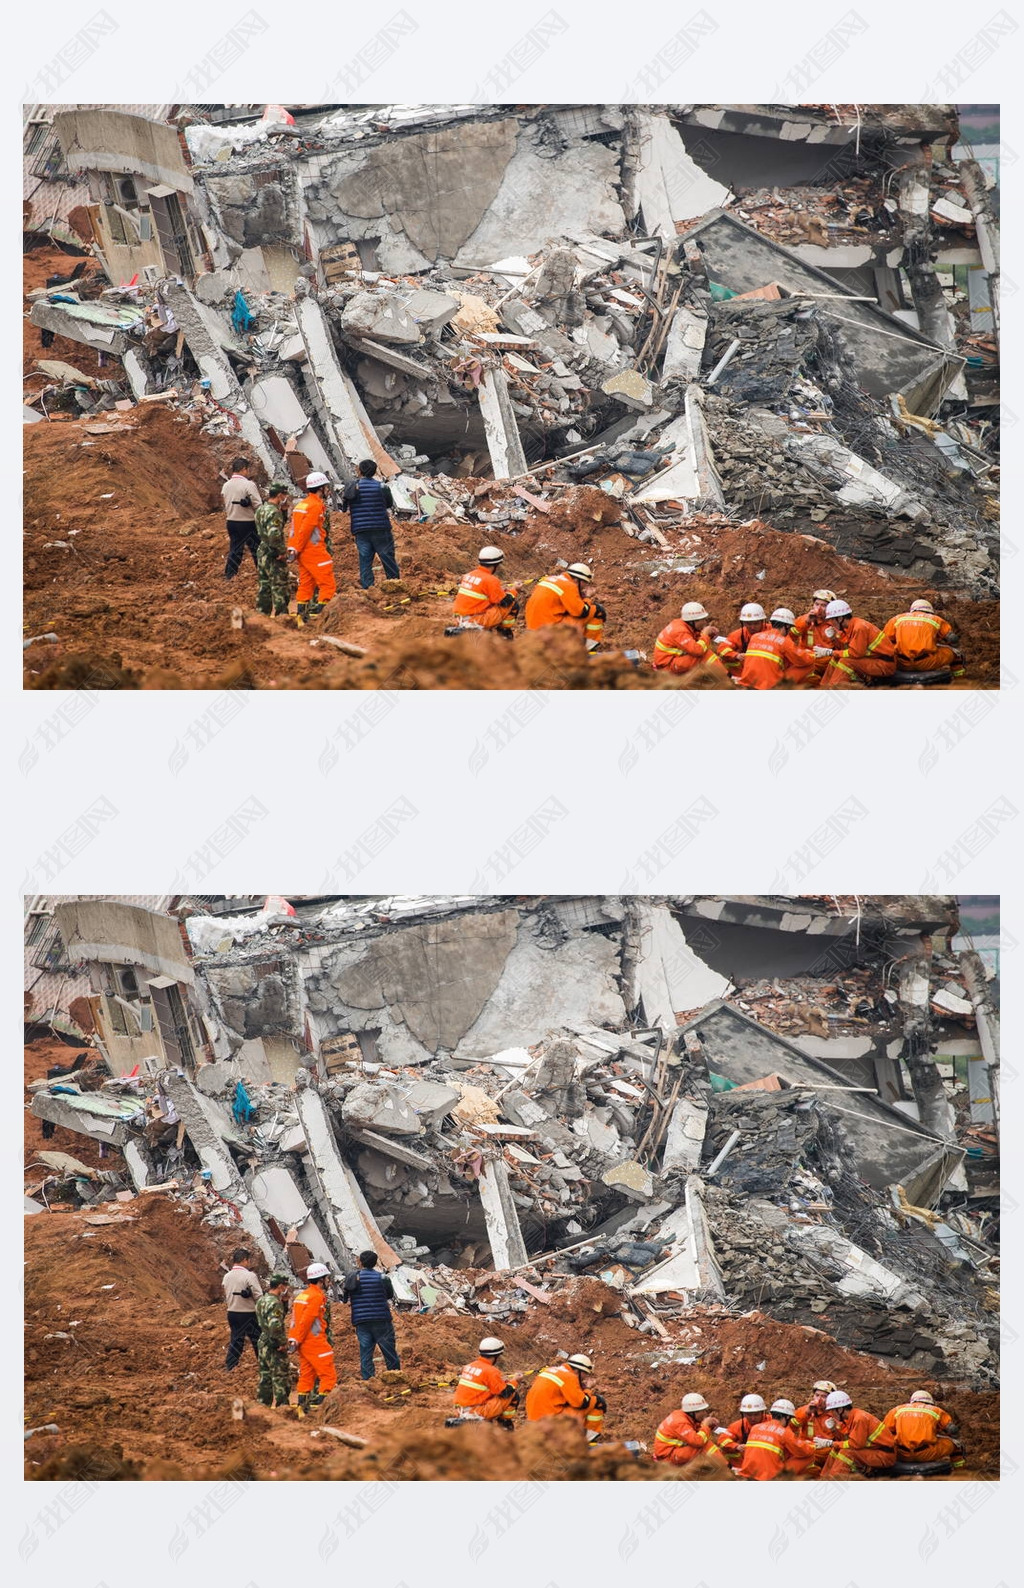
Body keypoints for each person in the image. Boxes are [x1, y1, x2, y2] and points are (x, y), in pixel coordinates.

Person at [341, 459, 401, 588]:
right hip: (381, 528)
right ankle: (395, 585)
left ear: (360, 471)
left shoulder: (352, 487)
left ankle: (368, 589)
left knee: (365, 560)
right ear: (374, 472)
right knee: (387, 557)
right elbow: (389, 504)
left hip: (360, 530)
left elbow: (344, 506)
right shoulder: (382, 487)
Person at [342, 1249, 401, 1380]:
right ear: (375, 1263)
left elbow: (345, 1296)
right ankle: (396, 1377)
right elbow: (389, 1295)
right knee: (389, 1351)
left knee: (366, 1353)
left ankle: (368, 1381)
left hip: (361, 1321)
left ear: (361, 1262)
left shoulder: (353, 1278)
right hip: (381, 1320)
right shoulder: (383, 1278)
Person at [288, 1261, 337, 1413]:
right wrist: (299, 1339)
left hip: (303, 1344)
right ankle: (322, 1409)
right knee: (328, 1376)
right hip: (314, 1342)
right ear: (321, 1280)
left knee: (307, 1376)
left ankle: (302, 1410)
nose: (329, 1282)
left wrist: (293, 1340)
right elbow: (306, 1321)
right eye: (327, 1279)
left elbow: (294, 1321)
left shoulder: (302, 1296)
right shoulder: (316, 1297)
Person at [288, 471, 337, 618]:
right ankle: (323, 615)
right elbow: (305, 530)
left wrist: (293, 549)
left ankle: (302, 615)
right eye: (326, 487)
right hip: (313, 551)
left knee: (306, 583)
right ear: (320, 488)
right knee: (327, 584)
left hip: (302, 552)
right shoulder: (315, 506)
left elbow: (293, 530)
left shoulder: (301, 505)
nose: (328, 490)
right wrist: (297, 548)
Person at [818, 1389, 896, 1478]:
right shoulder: (851, 1418)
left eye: (832, 1411)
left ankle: (834, 1481)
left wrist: (830, 1443)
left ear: (840, 1409)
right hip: (874, 1451)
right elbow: (846, 1441)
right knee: (836, 1450)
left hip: (884, 1455)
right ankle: (823, 1479)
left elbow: (855, 1444)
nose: (831, 1414)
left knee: (847, 1453)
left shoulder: (859, 1419)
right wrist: (834, 1430)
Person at [818, 599, 897, 688]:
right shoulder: (849, 628)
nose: (830, 623)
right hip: (873, 660)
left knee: (846, 662)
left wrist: (830, 652)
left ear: (840, 618)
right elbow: (844, 649)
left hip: (884, 664)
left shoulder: (859, 628)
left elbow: (855, 653)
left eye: (832, 620)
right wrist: (833, 639)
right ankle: (823, 688)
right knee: (835, 659)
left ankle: (834, 689)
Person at [525, 1352, 604, 1438]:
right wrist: (588, 1389)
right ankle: (588, 1440)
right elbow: (581, 1403)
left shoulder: (551, 1370)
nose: (585, 1377)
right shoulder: (570, 1377)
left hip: (533, 1419)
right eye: (585, 1374)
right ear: (578, 1371)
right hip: (550, 1420)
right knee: (598, 1401)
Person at [524, 564, 605, 649]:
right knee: (597, 610)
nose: (585, 587)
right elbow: (581, 612)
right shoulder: (569, 586)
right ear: (577, 580)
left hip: (533, 627)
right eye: (585, 583)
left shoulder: (550, 580)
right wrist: (587, 598)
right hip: (550, 629)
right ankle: (587, 648)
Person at [735, 1398, 818, 1480]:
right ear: (787, 1417)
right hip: (769, 1477)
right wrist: (812, 1445)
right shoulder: (784, 1432)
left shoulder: (755, 1428)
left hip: (747, 1473)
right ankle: (783, 1479)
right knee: (809, 1456)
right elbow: (803, 1451)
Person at [881, 1390, 965, 1469]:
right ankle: (960, 1473)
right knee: (956, 1445)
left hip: (901, 1454)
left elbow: (884, 1433)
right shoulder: (935, 1410)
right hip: (925, 1453)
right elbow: (953, 1430)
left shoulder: (897, 1410)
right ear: (930, 1402)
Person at [734, 608, 816, 690]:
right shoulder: (784, 641)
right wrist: (813, 654)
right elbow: (802, 659)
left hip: (747, 682)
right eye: (790, 627)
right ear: (787, 626)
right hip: (769, 686)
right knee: (810, 664)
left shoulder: (755, 637)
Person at [652, 1391, 737, 1470]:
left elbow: (693, 1429)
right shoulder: (680, 1422)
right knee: (703, 1446)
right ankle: (726, 1468)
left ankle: (721, 1466)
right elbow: (698, 1442)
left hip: (672, 1451)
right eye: (702, 1411)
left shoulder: (683, 1415)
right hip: (667, 1456)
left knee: (705, 1443)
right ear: (693, 1412)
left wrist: (709, 1426)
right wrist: (705, 1426)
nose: (704, 1413)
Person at [882, 600, 965, 680]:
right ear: (930, 611)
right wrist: (954, 646)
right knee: (956, 653)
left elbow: (884, 642)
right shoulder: (935, 619)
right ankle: (960, 681)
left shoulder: (897, 619)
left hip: (901, 663)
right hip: (925, 662)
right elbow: (953, 639)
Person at [651, 602, 735, 679]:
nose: (705, 622)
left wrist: (709, 635)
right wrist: (705, 634)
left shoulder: (682, 625)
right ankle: (725, 678)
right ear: (693, 621)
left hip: (672, 660)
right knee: (704, 656)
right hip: (667, 665)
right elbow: (698, 651)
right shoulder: (680, 631)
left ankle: (721, 675)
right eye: (702, 619)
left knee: (705, 652)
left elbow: (693, 638)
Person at [452, 1336, 520, 1427]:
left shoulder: (469, 1366)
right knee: (513, 1395)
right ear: (496, 1356)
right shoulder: (491, 1371)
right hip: (476, 1412)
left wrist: (500, 1380)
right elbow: (505, 1392)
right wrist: (515, 1380)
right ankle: (504, 1425)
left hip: (459, 1410)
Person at [451, 547, 518, 635]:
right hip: (476, 621)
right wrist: (514, 590)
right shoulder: (491, 580)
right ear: (496, 565)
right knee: (513, 605)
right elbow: (505, 602)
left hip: (459, 618)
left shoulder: (468, 575)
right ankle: (504, 636)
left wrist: (500, 590)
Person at [254, 482, 293, 616]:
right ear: (280, 495)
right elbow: (274, 534)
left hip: (263, 551)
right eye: (284, 495)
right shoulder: (273, 512)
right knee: (280, 586)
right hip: (273, 554)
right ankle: (282, 616)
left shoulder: (261, 509)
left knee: (264, 586)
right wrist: (281, 552)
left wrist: (283, 512)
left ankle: (262, 616)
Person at [222, 1247, 263, 1371]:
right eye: (248, 1261)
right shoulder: (249, 1276)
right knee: (258, 1340)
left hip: (232, 1313)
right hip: (248, 1313)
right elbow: (258, 1295)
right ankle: (265, 1364)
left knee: (236, 1340)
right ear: (245, 1260)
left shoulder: (227, 1277)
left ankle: (230, 1366)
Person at [221, 458, 262, 580]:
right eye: (247, 469)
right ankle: (264, 573)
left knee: (235, 549)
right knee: (257, 549)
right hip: (247, 522)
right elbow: (258, 504)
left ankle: (230, 575)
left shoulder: (226, 485)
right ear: (244, 469)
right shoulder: (248, 484)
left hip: (231, 522)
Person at [255, 1273, 292, 1407]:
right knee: (280, 1377)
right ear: (281, 1286)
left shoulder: (262, 1300)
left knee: (265, 1377)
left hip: (263, 1342)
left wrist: (285, 1303)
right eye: (285, 1286)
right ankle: (283, 1407)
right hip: (273, 1345)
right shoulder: (275, 1303)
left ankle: (262, 1406)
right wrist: (282, 1343)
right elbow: (275, 1325)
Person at [723, 1392, 768, 1465]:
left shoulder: (773, 1422)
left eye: (756, 1414)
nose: (753, 1418)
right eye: (749, 1415)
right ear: (743, 1414)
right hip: (747, 1463)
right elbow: (723, 1440)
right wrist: (736, 1446)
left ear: (762, 1412)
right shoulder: (738, 1425)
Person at [793, 1381, 840, 1447]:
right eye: (817, 1395)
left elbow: (842, 1440)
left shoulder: (837, 1415)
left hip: (826, 1453)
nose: (819, 1399)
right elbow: (791, 1427)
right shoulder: (805, 1410)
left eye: (824, 1396)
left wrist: (834, 1430)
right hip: (806, 1451)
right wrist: (806, 1413)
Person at [724, 602, 768, 669]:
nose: (752, 627)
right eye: (749, 624)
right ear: (743, 623)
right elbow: (722, 649)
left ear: (762, 622)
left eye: (756, 623)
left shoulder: (772, 631)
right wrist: (736, 655)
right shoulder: (738, 634)